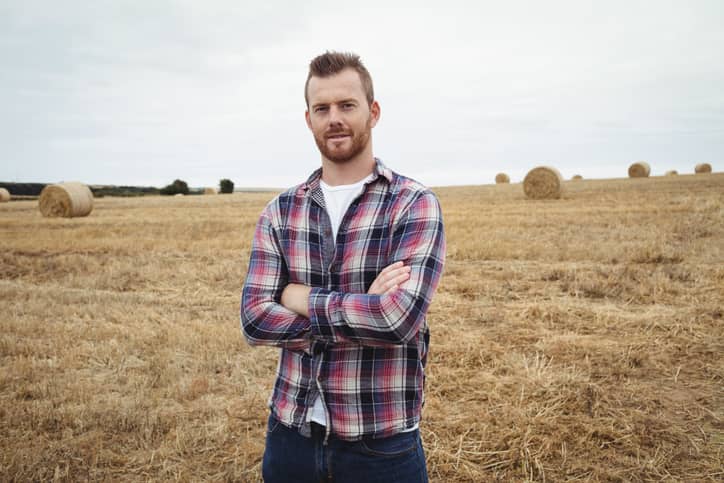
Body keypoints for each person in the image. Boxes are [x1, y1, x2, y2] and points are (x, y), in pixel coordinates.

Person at [240, 51, 445, 483]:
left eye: (346, 105)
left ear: (373, 112)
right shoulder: (281, 211)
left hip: (381, 442)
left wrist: (298, 299)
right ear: (309, 119)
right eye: (322, 108)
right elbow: (255, 319)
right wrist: (359, 306)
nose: (334, 118)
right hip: (290, 435)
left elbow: (396, 320)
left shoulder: (412, 204)